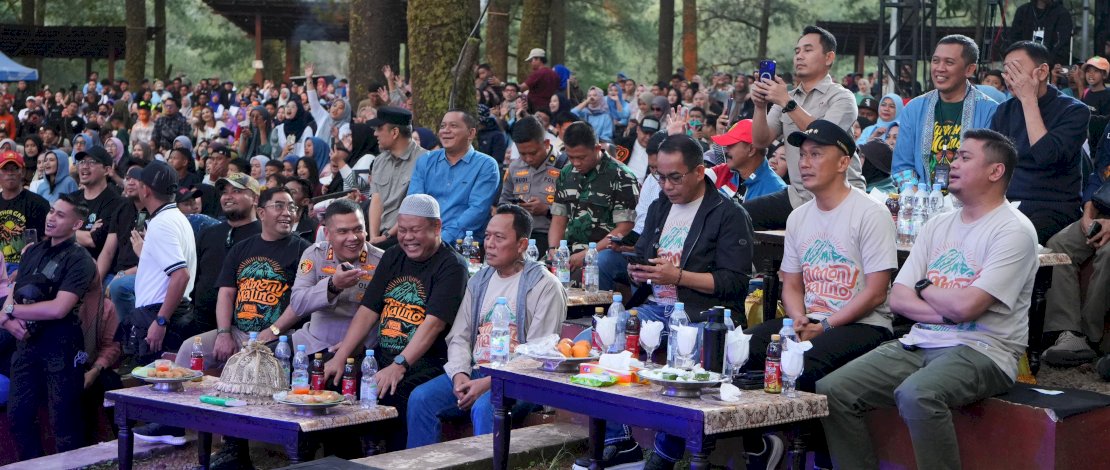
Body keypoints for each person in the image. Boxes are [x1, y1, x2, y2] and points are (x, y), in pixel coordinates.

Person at [818, 129, 1038, 470]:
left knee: (917, 394)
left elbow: (968, 306)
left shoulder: (1014, 230)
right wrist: (947, 311)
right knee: (833, 389)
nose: (952, 163)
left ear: (996, 171)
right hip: (921, 341)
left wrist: (925, 287)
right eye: (955, 155)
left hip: (985, 349)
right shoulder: (937, 224)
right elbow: (898, 300)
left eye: (965, 157)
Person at [407, 204, 567, 448]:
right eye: (488, 236)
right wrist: (460, 374)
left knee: (486, 407)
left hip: (521, 381)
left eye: (499, 238)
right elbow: (459, 336)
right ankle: (420, 464)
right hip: (476, 371)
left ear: (522, 244)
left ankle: (490, 463)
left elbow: (538, 354)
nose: (489, 244)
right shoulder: (479, 280)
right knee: (421, 398)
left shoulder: (544, 285)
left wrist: (489, 383)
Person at [321, 194, 466, 451]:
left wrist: (400, 365)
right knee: (336, 377)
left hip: (425, 361)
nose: (408, 237)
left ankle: (393, 459)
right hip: (382, 354)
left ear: (437, 227)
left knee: (397, 390)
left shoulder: (452, 265)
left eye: (415, 230)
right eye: (403, 230)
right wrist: (341, 356)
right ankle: (345, 460)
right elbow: (368, 310)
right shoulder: (392, 256)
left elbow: (433, 324)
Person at [4, 193, 97, 460]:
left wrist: (10, 312)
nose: (51, 218)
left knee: (64, 423)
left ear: (77, 224)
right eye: (51, 211)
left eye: (60, 214)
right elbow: (14, 290)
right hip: (27, 343)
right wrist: (8, 320)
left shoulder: (79, 259)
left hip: (62, 345)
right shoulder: (32, 251)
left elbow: (59, 308)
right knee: (18, 417)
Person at [748, 25, 865, 230]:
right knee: (738, 216)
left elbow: (824, 136)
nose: (799, 56)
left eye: (808, 50)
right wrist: (759, 106)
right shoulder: (786, 97)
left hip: (840, 196)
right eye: (797, 51)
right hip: (798, 197)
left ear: (829, 57)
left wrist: (787, 103)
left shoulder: (842, 97)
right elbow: (760, 141)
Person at [990, 41, 1090, 244]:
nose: (1010, 79)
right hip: (1007, 204)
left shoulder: (1074, 111)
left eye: (1016, 70)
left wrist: (1028, 100)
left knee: (1012, 240)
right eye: (1006, 71)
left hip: (1052, 207)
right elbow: (992, 162)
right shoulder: (1004, 110)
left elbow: (1046, 156)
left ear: (1042, 72)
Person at [264, 199, 384, 355]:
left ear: (366, 230)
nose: (353, 238)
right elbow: (298, 303)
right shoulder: (314, 254)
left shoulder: (382, 261)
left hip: (362, 348)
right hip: (311, 342)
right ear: (327, 234)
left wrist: (356, 346)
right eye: (343, 231)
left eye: (358, 229)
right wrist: (333, 286)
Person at [891, 35, 1000, 189]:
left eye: (949, 62)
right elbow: (902, 166)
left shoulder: (990, 110)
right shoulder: (914, 108)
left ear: (969, 69)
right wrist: (916, 195)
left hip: (969, 200)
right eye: (935, 61)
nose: (940, 68)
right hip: (921, 198)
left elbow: (990, 168)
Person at [1042, 130, 1110, 367]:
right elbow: (1099, 172)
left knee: (1108, 253)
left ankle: (1091, 338)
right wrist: (1088, 210)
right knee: (1058, 246)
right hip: (1103, 211)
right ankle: (1068, 333)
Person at [129, 160, 198, 366]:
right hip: (172, 311)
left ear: (145, 190)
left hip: (162, 315)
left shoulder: (161, 223)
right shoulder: (176, 217)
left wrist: (161, 321)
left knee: (155, 381)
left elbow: (181, 275)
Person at [549, 122, 639, 269]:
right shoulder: (566, 173)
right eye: (571, 157)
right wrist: (553, 249)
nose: (576, 163)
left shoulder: (622, 176)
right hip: (567, 252)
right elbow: (559, 218)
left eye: (581, 157)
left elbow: (624, 227)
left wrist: (589, 253)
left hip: (602, 255)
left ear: (597, 148)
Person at [406, 110, 500, 242]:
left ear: (471, 133)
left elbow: (477, 210)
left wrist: (441, 240)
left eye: (453, 126)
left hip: (464, 244)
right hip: (423, 239)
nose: (446, 131)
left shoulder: (486, 165)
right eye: (443, 126)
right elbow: (413, 203)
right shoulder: (425, 160)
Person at [190, 173, 262, 333]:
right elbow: (196, 276)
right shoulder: (208, 233)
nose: (228, 197)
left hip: (245, 328)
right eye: (224, 192)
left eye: (236, 191)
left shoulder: (265, 235)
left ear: (255, 199)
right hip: (201, 322)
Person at [500, 116, 561, 254]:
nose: (528, 158)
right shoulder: (515, 167)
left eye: (533, 153)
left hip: (551, 238)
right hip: (519, 236)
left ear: (546, 143)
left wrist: (547, 210)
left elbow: (576, 210)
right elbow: (503, 203)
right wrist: (515, 208)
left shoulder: (564, 165)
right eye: (522, 154)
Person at [707, 119, 787, 204]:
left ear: (751, 150)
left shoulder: (776, 192)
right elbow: (697, 176)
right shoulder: (725, 170)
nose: (726, 150)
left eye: (731, 145)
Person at [0, 150, 49, 276]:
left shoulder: (38, 203)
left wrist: (23, 270)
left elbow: (46, 242)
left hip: (27, 266)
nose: (10, 173)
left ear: (22, 172)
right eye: (5, 169)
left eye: (15, 168)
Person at [71, 146, 123, 260]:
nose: (84, 166)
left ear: (107, 170)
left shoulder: (115, 202)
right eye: (82, 162)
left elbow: (93, 240)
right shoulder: (71, 198)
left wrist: (66, 231)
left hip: (94, 265)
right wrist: (83, 233)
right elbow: (53, 230)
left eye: (91, 162)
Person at [1008, 0, 1074, 68]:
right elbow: (1014, 41)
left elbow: (1062, 47)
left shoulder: (1062, 14)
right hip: (1024, 66)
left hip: (1051, 67)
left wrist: (1047, 65)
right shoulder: (1023, 11)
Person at [519, 48, 560, 113]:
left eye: (531, 60)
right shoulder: (554, 74)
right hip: (549, 108)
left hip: (535, 107)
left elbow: (522, 88)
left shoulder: (538, 73)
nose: (531, 63)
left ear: (538, 59)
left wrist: (509, 87)